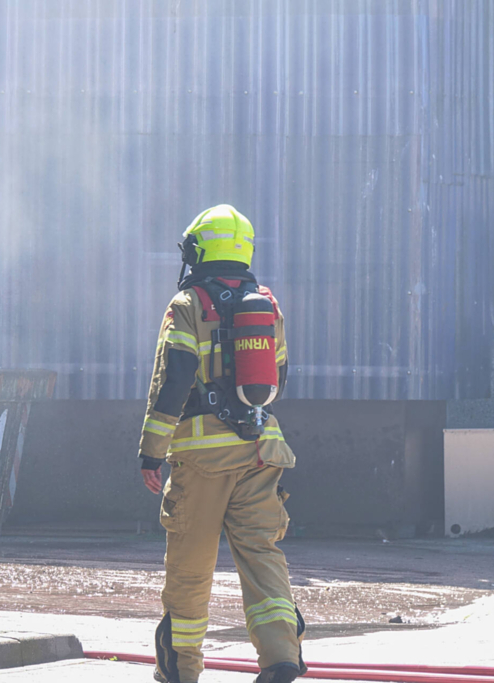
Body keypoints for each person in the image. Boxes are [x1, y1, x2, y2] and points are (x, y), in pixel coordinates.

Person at [138, 205, 305, 683]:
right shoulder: (267, 304)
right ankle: (281, 658)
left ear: (199, 250)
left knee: (191, 569)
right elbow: (280, 377)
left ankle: (182, 672)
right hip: (262, 452)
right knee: (261, 555)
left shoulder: (188, 305)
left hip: (202, 458)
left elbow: (174, 380)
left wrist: (151, 451)